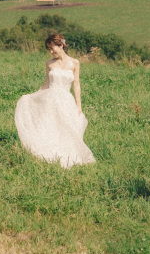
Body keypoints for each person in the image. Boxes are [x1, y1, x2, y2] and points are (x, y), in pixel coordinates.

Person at [14, 33, 96, 168]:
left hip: (66, 101)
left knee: (67, 129)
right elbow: (46, 84)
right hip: (50, 100)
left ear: (61, 45)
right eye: (49, 50)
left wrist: (79, 106)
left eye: (53, 48)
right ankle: (50, 154)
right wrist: (31, 96)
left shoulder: (75, 63)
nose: (51, 52)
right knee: (50, 128)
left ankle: (69, 156)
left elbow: (76, 84)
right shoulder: (49, 64)